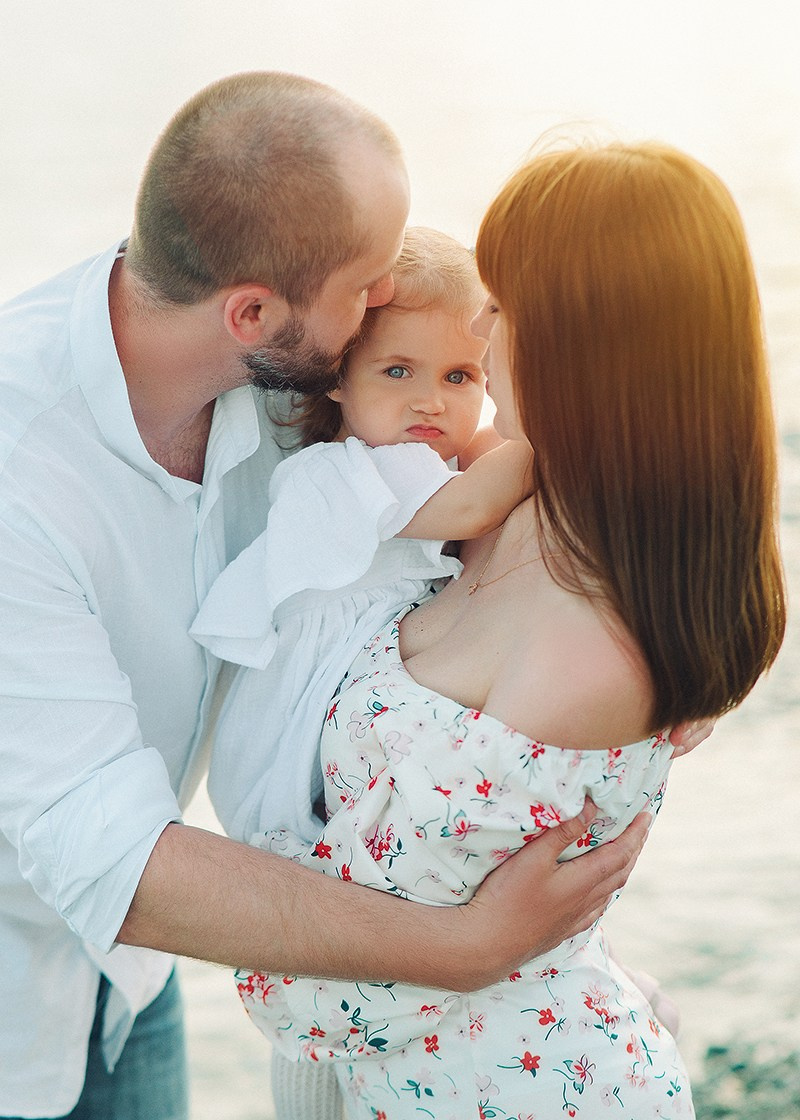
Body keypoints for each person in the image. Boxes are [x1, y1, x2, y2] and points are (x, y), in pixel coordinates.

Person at [0, 73, 667, 1120]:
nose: (383, 304)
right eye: (364, 285)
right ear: (253, 311)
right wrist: (466, 945)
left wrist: (669, 638)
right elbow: (117, 863)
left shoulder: (280, 378)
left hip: (134, 980)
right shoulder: (19, 477)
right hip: (19, 1008)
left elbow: (471, 481)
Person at [229, 141, 786, 1119]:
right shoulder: (513, 493)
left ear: (579, 341)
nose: (482, 325)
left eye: (504, 304)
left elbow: (346, 979)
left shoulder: (587, 651)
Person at [190, 225, 519, 849]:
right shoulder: (339, 473)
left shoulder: (429, 462)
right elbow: (476, 506)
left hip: (363, 691)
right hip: (299, 713)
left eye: (459, 377)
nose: (430, 401)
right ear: (336, 377)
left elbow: (482, 459)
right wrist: (566, 430)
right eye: (398, 371)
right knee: (301, 835)